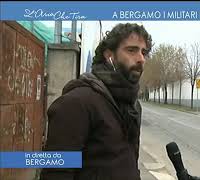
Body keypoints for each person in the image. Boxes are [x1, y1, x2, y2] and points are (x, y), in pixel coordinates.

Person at [40, 23, 152, 180]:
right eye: (131, 50)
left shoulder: (132, 105)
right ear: (109, 55)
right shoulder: (77, 103)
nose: (141, 59)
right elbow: (57, 174)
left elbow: (127, 164)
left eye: (144, 52)